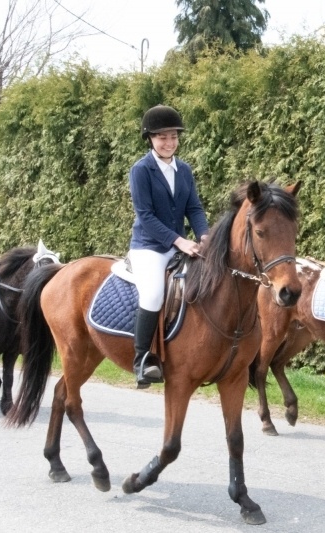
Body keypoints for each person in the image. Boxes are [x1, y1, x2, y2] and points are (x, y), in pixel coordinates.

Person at [128, 104, 210, 388]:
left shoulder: (184, 170)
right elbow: (146, 217)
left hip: (181, 245)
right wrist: (179, 241)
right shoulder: (141, 170)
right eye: (162, 137)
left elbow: (194, 208)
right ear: (150, 138)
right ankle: (142, 361)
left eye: (173, 136)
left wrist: (205, 236)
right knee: (152, 294)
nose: (169, 142)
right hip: (148, 247)